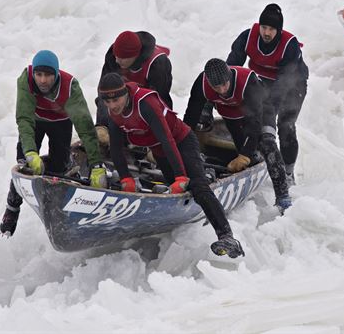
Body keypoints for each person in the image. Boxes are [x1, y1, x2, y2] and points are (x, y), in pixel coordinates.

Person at [98, 73, 244, 258]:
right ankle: (199, 172)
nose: (112, 106)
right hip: (160, 151)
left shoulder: (145, 103)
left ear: (125, 93)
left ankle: (227, 236)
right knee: (178, 190)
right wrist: (126, 177)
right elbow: (116, 148)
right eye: (107, 102)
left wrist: (180, 175)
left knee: (198, 186)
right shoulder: (114, 114)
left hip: (181, 141)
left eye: (116, 100)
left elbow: (167, 140)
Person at [0, 50, 107, 236]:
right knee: (24, 164)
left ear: (56, 74)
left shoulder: (70, 87)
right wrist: (31, 152)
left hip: (61, 121)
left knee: (58, 167)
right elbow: (24, 119)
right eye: (39, 74)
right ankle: (12, 208)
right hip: (35, 120)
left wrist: (96, 164)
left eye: (48, 75)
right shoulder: (25, 80)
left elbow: (85, 128)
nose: (42, 80)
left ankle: (57, 209)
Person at [183, 59, 292, 213]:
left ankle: (283, 196)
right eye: (216, 87)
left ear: (229, 78)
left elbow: (253, 123)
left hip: (261, 110)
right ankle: (252, 159)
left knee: (267, 144)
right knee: (248, 154)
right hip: (231, 113)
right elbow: (191, 116)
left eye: (224, 85)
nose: (221, 90)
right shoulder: (201, 83)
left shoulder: (249, 82)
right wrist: (180, 144)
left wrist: (244, 155)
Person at [226, 4, 308, 195]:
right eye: (264, 27)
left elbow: (282, 86)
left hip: (292, 85)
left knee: (285, 127)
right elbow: (231, 69)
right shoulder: (247, 37)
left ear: (278, 31)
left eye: (271, 29)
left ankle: (288, 174)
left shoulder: (290, 45)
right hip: (261, 80)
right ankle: (251, 154)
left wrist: (268, 116)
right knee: (248, 116)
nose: (266, 33)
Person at [95, 30, 173, 143]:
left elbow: (161, 102)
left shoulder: (158, 63)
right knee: (108, 95)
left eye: (121, 58)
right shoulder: (113, 55)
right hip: (123, 97)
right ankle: (104, 130)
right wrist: (102, 124)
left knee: (150, 106)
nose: (117, 61)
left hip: (146, 100)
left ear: (135, 56)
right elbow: (104, 90)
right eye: (116, 56)